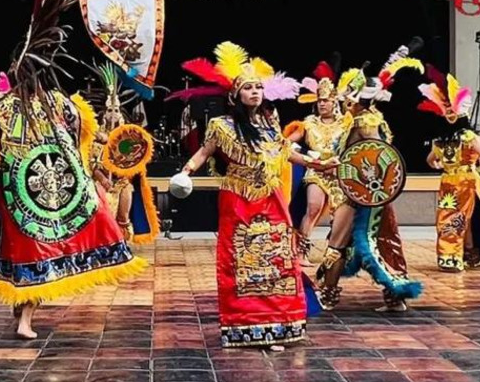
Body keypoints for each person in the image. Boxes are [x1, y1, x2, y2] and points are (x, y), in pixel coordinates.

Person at [0, 0, 147, 341]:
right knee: (28, 253)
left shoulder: (58, 106)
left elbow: (83, 143)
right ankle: (23, 314)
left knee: (35, 253)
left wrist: (98, 173)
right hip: (21, 197)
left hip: (52, 198)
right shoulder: (5, 107)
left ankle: (25, 315)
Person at [169, 41, 312, 350]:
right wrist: (186, 171)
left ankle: (279, 324)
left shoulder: (270, 123)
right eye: (248, 88)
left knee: (279, 260)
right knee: (242, 261)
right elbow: (204, 152)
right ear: (236, 95)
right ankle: (246, 323)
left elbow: (285, 152)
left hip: (271, 198)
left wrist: (317, 163)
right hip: (238, 200)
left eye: (258, 87)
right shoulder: (222, 126)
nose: (255, 92)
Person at [316, 43, 424, 312]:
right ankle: (394, 298)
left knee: (337, 243)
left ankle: (327, 296)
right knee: (385, 242)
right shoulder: (369, 117)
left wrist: (351, 175)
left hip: (359, 195)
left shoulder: (365, 121)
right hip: (367, 192)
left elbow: (377, 155)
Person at [418, 67, 480, 271]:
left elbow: (430, 160)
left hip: (447, 181)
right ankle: (464, 254)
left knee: (449, 215)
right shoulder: (470, 137)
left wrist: (442, 166)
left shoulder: (440, 141)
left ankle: (453, 255)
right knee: (465, 216)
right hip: (466, 180)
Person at [284, 60, 350, 265]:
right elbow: (285, 142)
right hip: (316, 170)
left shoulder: (346, 123)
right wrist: (289, 149)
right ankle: (300, 252)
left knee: (340, 215)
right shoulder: (308, 123)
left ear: (334, 102)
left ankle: (336, 254)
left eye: (326, 101)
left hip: (338, 172)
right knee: (313, 208)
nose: (322, 104)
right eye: (319, 100)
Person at [88, 61, 160, 243]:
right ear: (105, 113)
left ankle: (121, 242)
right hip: (101, 182)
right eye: (110, 110)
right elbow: (92, 164)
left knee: (124, 211)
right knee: (100, 209)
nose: (113, 113)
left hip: (121, 182)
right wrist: (103, 179)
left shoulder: (126, 139)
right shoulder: (96, 138)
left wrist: (123, 173)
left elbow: (132, 163)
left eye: (116, 110)